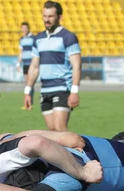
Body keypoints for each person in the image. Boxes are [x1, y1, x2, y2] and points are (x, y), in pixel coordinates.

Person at [23, 1, 81, 132]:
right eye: (44, 16)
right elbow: (34, 67)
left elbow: (76, 65)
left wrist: (74, 91)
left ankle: (76, 152)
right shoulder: (38, 38)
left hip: (62, 87)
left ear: (59, 17)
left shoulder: (68, 37)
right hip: (45, 90)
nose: (46, 20)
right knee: (52, 130)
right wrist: (28, 91)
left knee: (61, 129)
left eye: (50, 16)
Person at [17, 22, 35, 110]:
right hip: (25, 63)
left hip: (32, 63)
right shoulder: (21, 39)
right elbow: (21, 52)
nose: (24, 30)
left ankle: (29, 103)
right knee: (27, 83)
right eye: (22, 28)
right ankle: (28, 103)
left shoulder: (33, 38)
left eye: (25, 28)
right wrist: (18, 63)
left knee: (30, 83)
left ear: (28, 28)